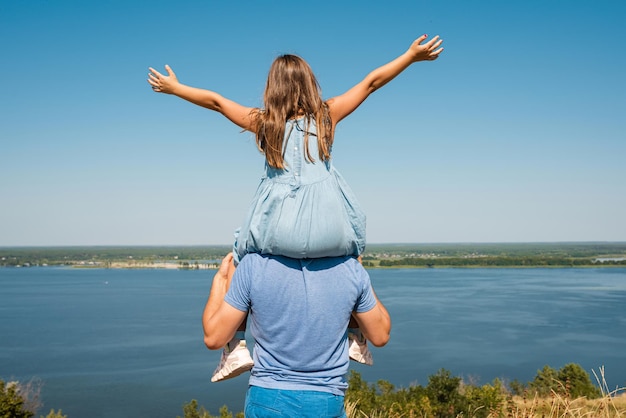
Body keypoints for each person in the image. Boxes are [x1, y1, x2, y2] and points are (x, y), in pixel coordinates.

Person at [148, 34, 443, 381]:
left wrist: (176, 88)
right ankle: (356, 335)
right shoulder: (326, 117)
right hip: (327, 229)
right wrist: (409, 56)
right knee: (351, 263)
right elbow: (371, 83)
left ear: (272, 88)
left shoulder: (263, 123)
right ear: (309, 84)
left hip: (278, 231)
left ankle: (236, 348)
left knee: (237, 264)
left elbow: (215, 101)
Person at [202, 252, 391, 417]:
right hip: (324, 400)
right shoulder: (350, 269)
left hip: (268, 398)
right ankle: (356, 337)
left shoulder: (253, 264)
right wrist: (360, 275)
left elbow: (213, 338)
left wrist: (220, 279)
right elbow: (381, 336)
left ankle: (236, 348)